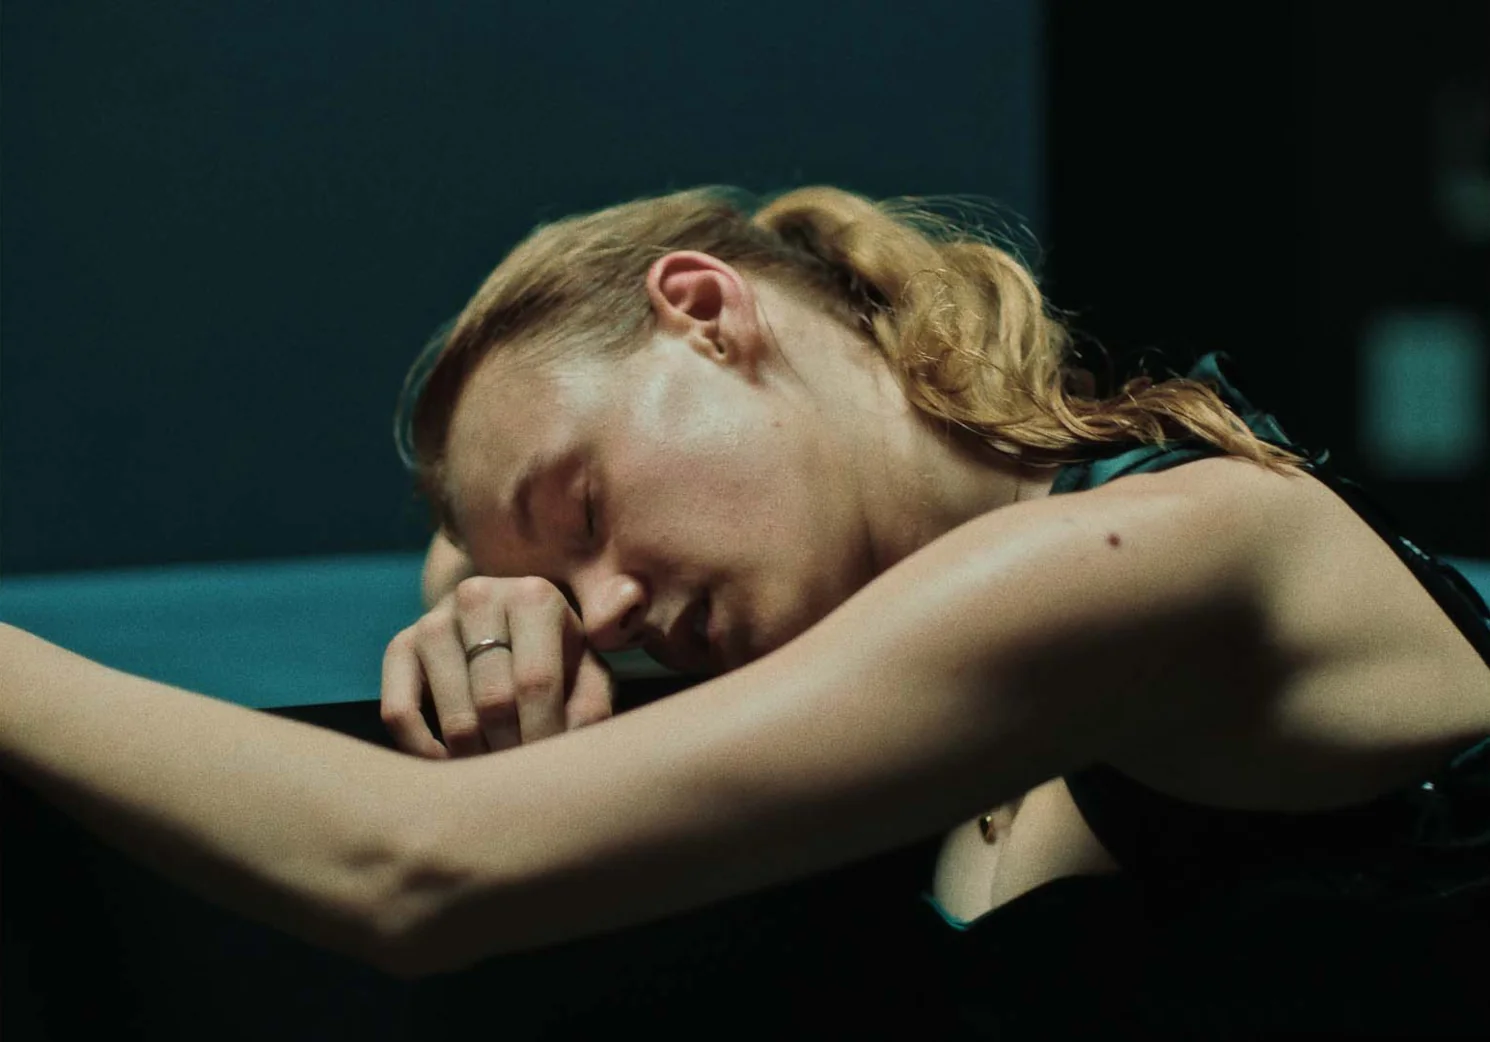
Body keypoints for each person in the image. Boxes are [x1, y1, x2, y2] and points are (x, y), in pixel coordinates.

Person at [2, 185, 1487, 1031]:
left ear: (706, 313)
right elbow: (484, 550)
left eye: (587, 509)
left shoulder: (1160, 550)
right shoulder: (976, 620)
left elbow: (413, 874)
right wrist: (495, 586)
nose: (609, 613)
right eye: (569, 594)